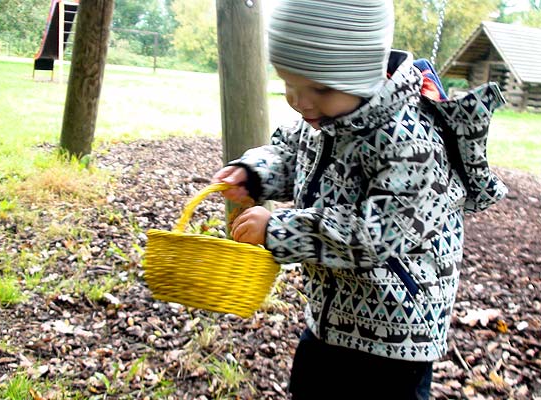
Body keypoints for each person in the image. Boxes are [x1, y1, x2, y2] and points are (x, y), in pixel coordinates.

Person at [212, 0, 507, 398]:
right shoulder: (326, 117)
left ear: (364, 73)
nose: (302, 102)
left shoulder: (410, 141)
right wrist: (254, 174)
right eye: (289, 84)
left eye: (319, 88)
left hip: (396, 333)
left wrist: (279, 230)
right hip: (331, 318)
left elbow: (372, 236)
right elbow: (290, 155)